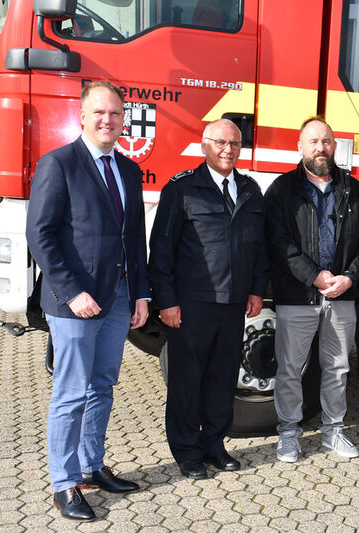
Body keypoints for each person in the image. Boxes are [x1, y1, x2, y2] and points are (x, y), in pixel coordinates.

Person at [27, 81, 150, 521]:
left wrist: (140, 293)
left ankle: (92, 465)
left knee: (102, 385)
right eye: (100, 112)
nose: (108, 120)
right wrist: (72, 292)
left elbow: (133, 238)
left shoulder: (129, 170)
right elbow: (39, 236)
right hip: (75, 301)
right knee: (70, 392)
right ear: (82, 116)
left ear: (123, 119)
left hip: (118, 298)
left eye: (116, 113)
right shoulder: (58, 164)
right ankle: (64, 484)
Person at [147, 119, 268, 480]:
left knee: (222, 379)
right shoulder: (182, 190)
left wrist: (257, 289)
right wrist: (166, 301)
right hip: (192, 304)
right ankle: (187, 452)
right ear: (204, 145)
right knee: (187, 381)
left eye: (234, 143)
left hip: (233, 305)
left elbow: (259, 248)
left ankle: (215, 445)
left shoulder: (250, 190)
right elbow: (162, 250)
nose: (228, 149)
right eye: (220, 142)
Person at [264, 117, 359, 462]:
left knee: (338, 368)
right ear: (300, 147)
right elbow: (278, 243)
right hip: (298, 296)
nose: (320, 148)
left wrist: (349, 278)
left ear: (334, 146)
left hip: (342, 296)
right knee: (290, 369)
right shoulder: (282, 190)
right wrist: (314, 276)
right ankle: (289, 434)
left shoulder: (354, 190)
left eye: (326, 141)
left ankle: (333, 432)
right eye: (313, 142)